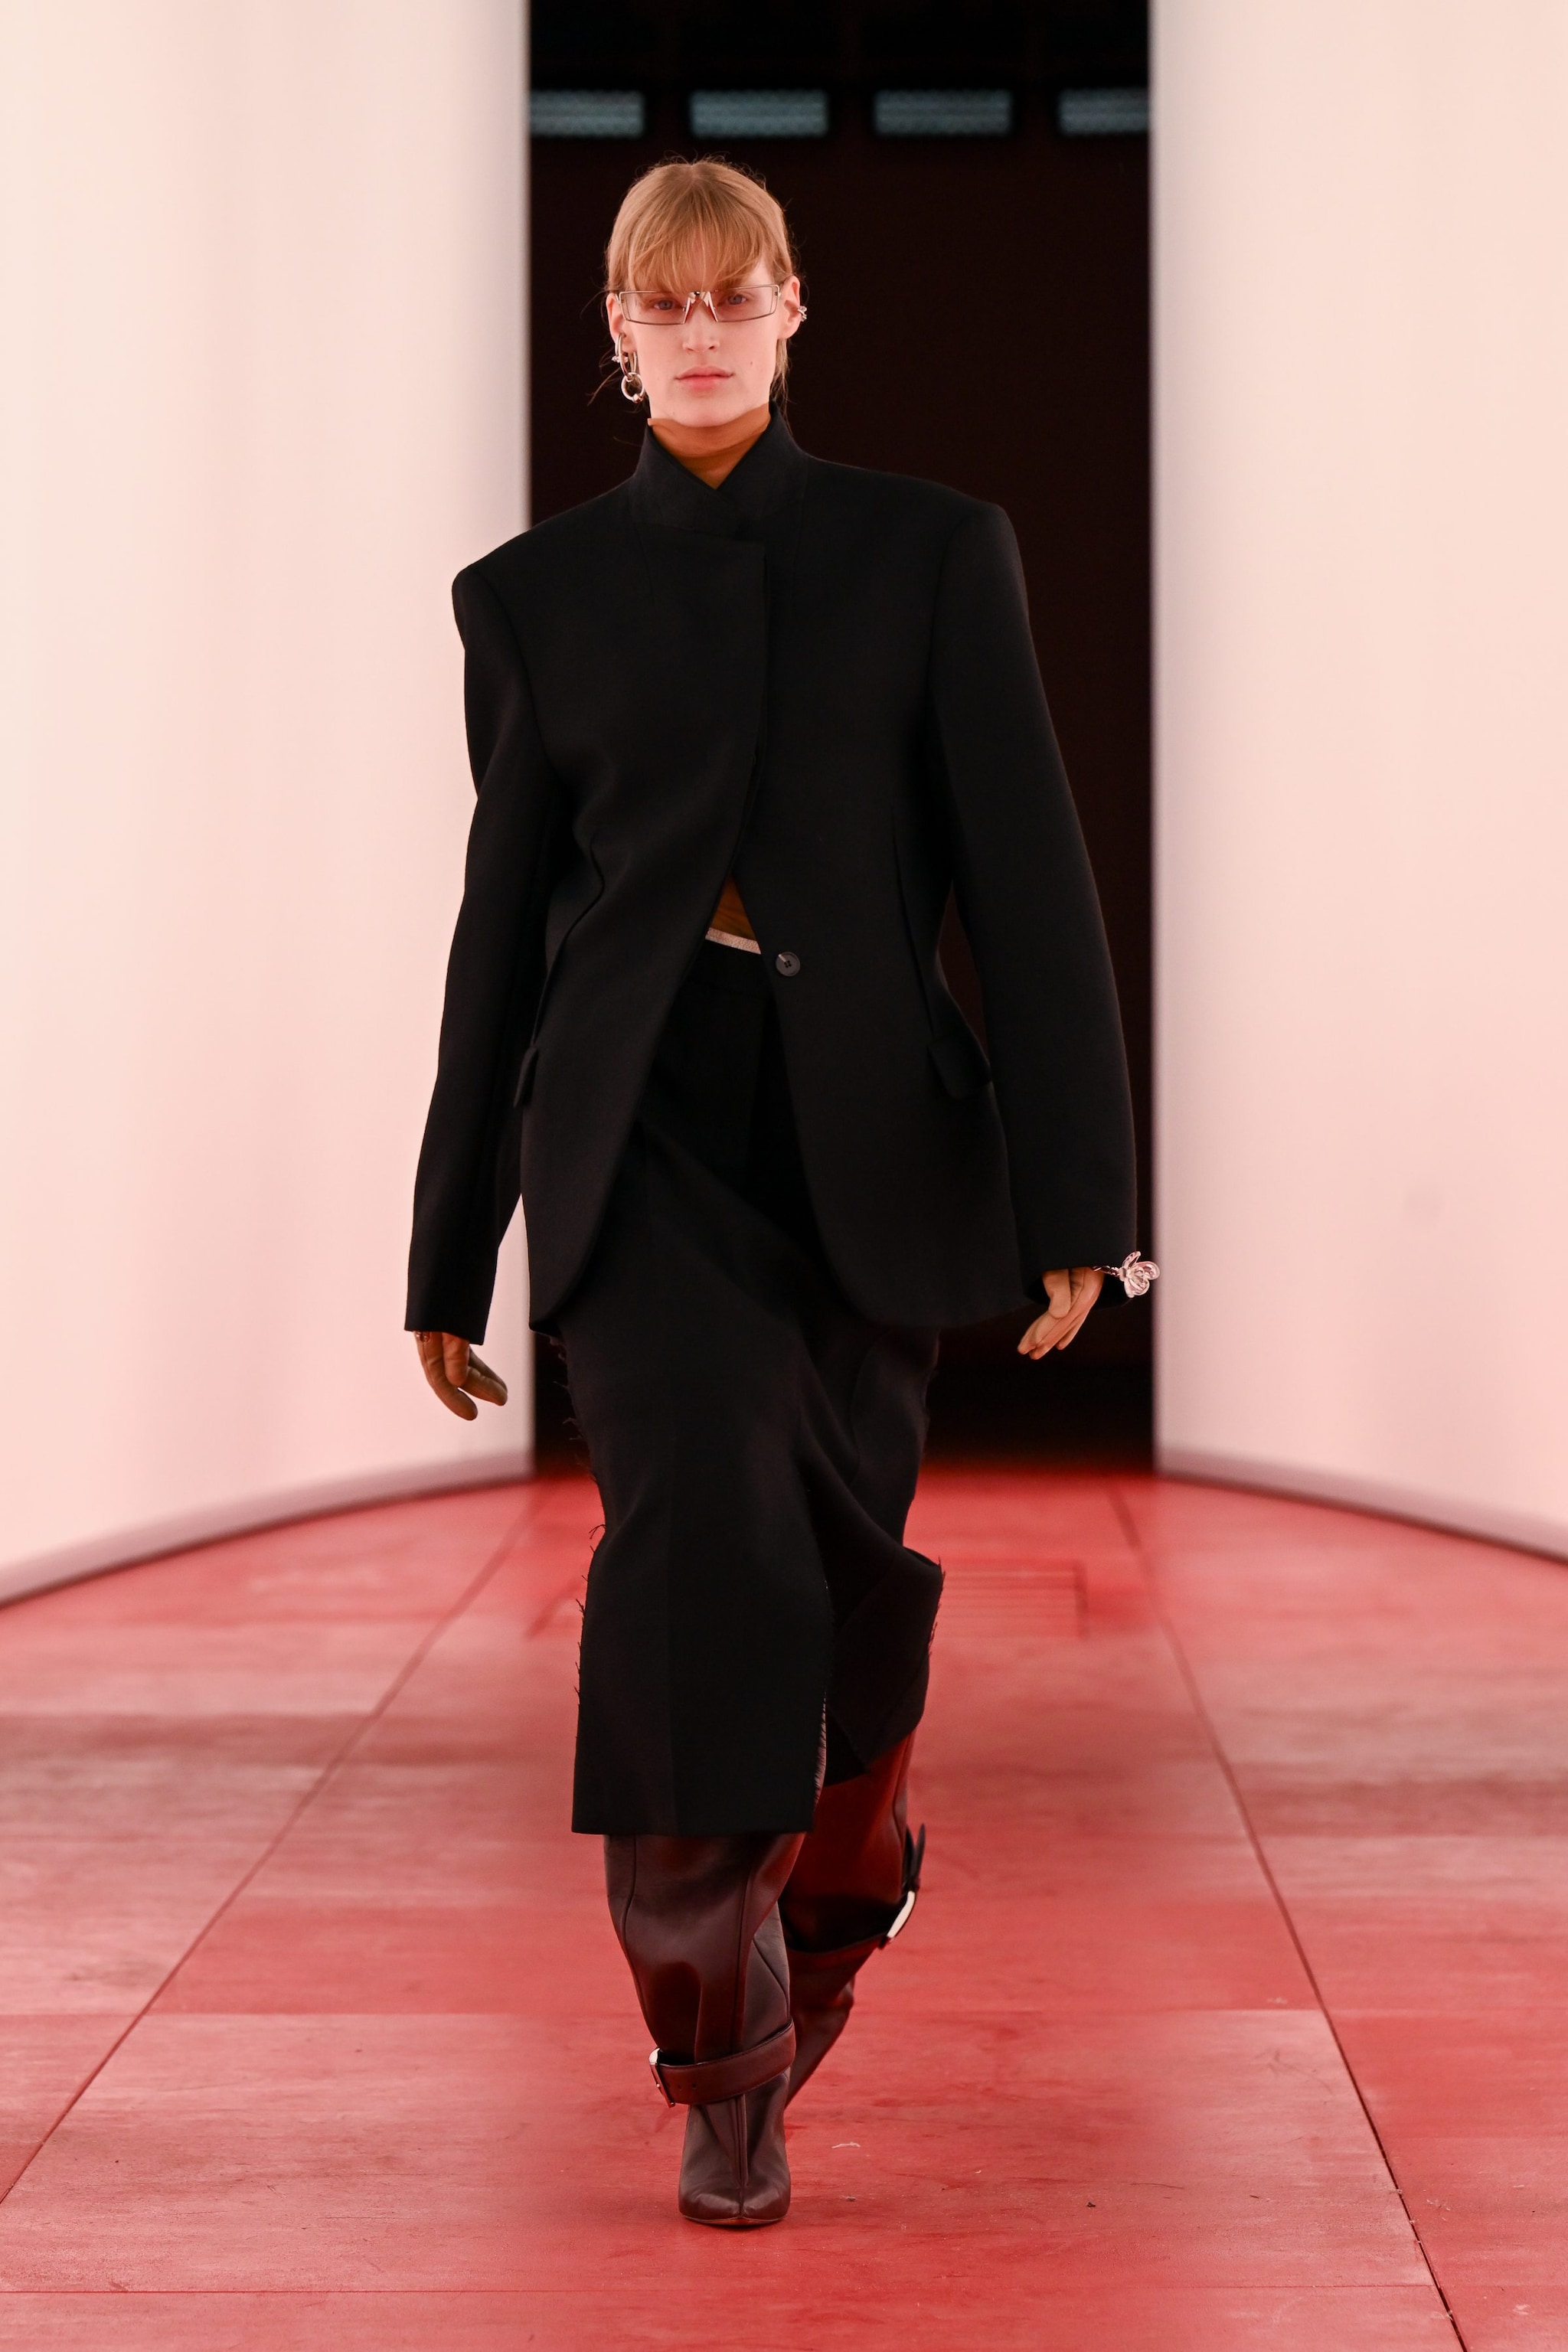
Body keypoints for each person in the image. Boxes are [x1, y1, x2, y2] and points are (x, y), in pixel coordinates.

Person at [407, 156, 1145, 2228]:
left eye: (738, 297)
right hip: (632, 1129)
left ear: (796, 311)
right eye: (666, 305)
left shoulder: (932, 553)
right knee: (694, 1532)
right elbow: (501, 936)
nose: (703, 334)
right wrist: (450, 1239)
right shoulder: (530, 599)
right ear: (617, 335)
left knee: (841, 1578)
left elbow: (1029, 879)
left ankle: (844, 1873)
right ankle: (717, 2059)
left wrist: (1081, 1198)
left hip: (866, 1141)